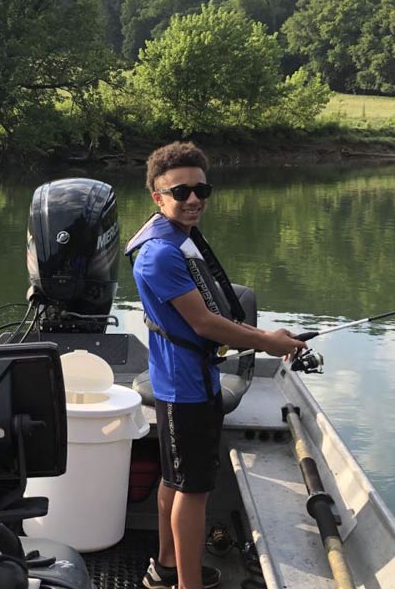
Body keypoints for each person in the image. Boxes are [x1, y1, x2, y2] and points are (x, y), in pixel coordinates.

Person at [125, 142, 305, 589]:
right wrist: (270, 341)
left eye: (201, 189)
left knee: (175, 479)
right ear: (157, 196)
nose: (193, 200)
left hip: (187, 381)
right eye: (180, 191)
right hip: (185, 389)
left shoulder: (173, 237)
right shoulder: (161, 253)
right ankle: (186, 583)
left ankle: (166, 565)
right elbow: (205, 323)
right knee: (194, 490)